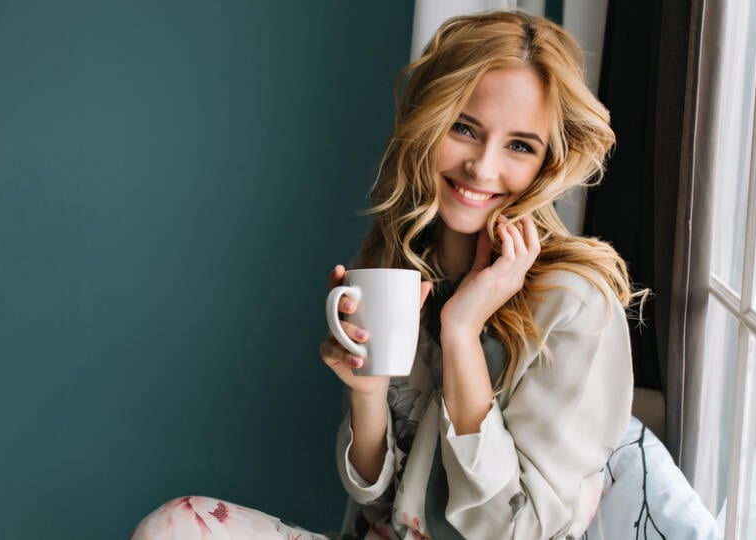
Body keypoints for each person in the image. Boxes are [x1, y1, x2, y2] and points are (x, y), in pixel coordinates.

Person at [132, 10, 642, 540]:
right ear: (429, 121)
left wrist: (462, 331)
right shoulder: (403, 264)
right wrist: (367, 393)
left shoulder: (577, 303)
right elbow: (374, 495)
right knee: (173, 527)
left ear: (547, 161)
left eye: (519, 145)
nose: (482, 168)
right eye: (465, 128)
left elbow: (522, 529)